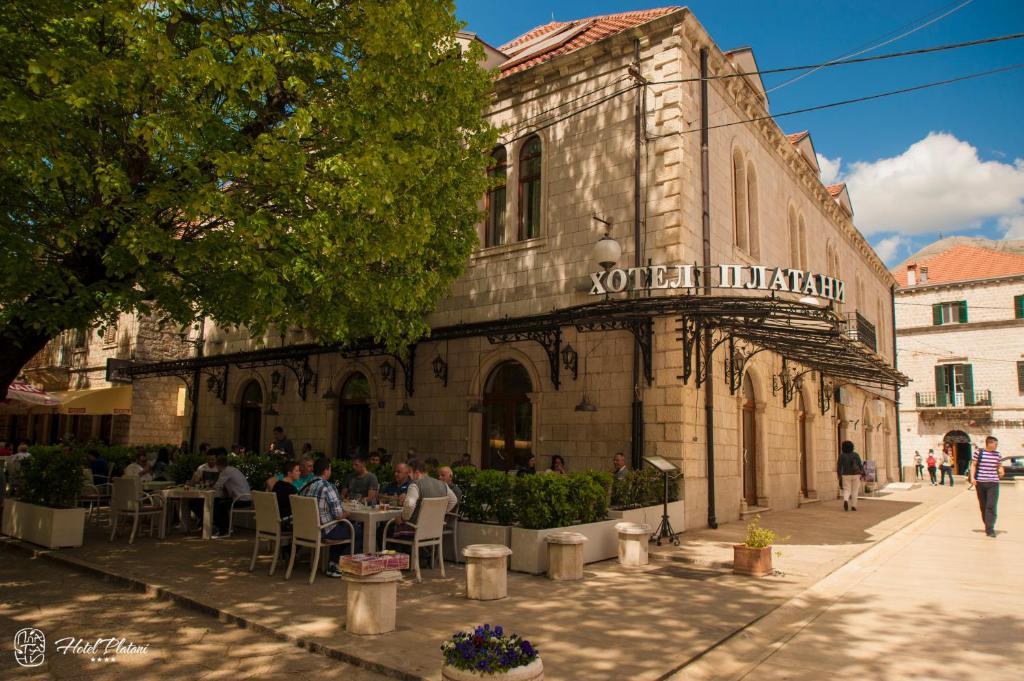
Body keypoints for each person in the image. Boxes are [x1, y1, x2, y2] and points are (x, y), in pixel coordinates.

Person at [301, 458, 361, 577]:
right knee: (358, 532)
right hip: (324, 531)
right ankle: (338, 565)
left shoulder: (305, 486)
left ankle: (332, 564)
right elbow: (338, 515)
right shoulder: (327, 487)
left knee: (342, 527)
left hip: (306, 530)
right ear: (326, 471)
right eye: (330, 469)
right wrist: (347, 513)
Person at [212, 451, 251, 538]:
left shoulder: (225, 472)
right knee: (219, 502)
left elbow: (217, 486)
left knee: (218, 505)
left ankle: (223, 529)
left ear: (218, 465)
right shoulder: (232, 469)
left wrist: (208, 487)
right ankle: (226, 527)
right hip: (245, 498)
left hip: (241, 499)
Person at [970, 436, 1003, 538]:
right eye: (995, 444)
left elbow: (999, 466)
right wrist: (972, 478)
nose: (997, 446)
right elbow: (973, 465)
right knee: (983, 506)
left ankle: (990, 529)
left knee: (991, 505)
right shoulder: (979, 453)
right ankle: (988, 525)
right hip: (980, 483)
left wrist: (1001, 470)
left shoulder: (998, 454)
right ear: (989, 444)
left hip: (993, 483)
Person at [837, 440, 864, 511]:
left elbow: (839, 466)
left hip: (845, 475)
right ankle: (853, 506)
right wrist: (862, 472)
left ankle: (846, 500)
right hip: (856, 475)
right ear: (852, 447)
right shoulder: (856, 455)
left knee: (847, 489)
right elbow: (860, 465)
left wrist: (839, 475)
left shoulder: (841, 455)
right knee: (855, 490)